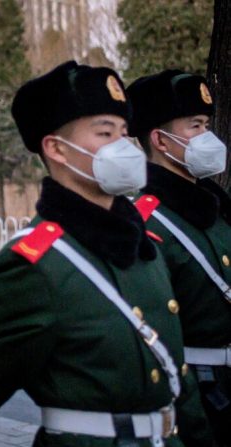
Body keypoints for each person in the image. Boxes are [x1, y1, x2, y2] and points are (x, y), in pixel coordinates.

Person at [0, 61, 211, 446]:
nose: (123, 145)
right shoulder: (35, 266)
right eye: (105, 132)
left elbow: (175, 377)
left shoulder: (143, 247)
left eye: (124, 132)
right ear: (56, 148)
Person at [128, 69, 231, 446]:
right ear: (161, 140)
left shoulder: (217, 209)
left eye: (206, 124)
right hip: (196, 395)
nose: (208, 137)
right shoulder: (143, 221)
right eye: (196, 126)